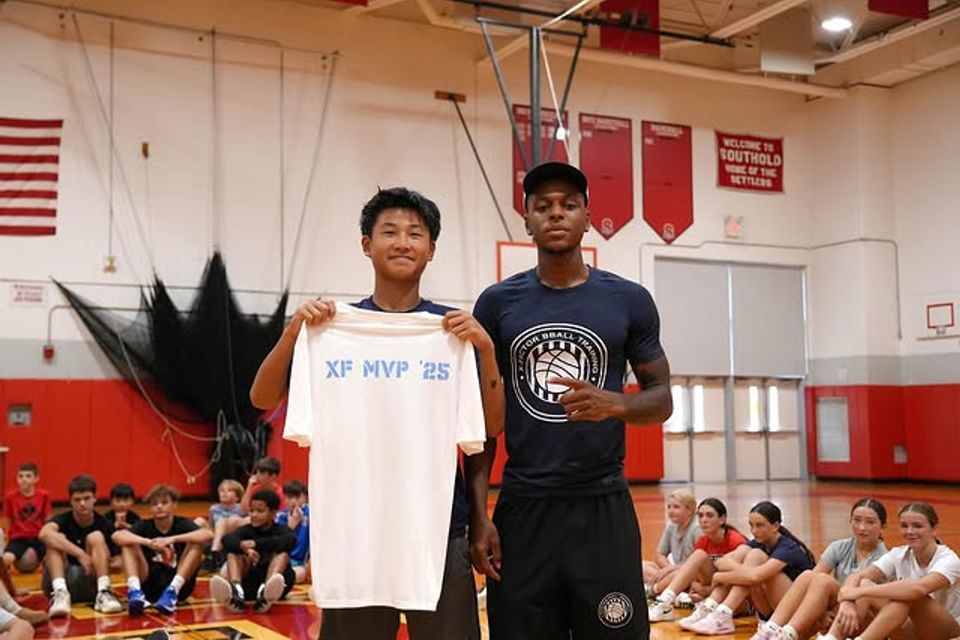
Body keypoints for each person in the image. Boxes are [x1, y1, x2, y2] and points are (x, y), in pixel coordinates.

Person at [251, 186, 503, 639]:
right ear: (366, 244)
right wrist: (295, 332)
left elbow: (490, 427)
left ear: (431, 250)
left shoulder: (452, 333)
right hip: (354, 531)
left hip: (438, 527)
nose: (403, 242)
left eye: (415, 233)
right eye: (389, 231)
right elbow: (261, 397)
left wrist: (484, 348)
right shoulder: (329, 329)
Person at [471, 161, 673, 639]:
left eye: (569, 205)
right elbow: (479, 422)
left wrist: (614, 404)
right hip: (524, 506)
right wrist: (478, 516)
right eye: (543, 206)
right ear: (527, 221)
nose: (556, 214)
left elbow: (662, 398)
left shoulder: (629, 299)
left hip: (602, 505)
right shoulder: (497, 303)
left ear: (587, 218)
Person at [750, 498, 887, 640]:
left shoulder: (885, 558)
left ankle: (789, 633)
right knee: (809, 576)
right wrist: (820, 612)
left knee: (826, 582)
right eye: (857, 520)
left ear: (882, 526)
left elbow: (858, 592)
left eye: (870, 522)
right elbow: (812, 580)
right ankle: (774, 629)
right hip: (839, 610)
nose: (862, 527)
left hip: (866, 620)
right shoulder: (840, 547)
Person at [821, 502, 960, 640]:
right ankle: (831, 637)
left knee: (909, 594)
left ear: (934, 529)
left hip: (946, 633)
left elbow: (919, 588)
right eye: (904, 526)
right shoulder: (898, 554)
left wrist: (859, 592)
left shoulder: (948, 559)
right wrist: (847, 602)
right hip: (910, 631)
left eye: (917, 526)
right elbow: (858, 576)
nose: (910, 531)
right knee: (865, 583)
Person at [678, 501, 815, 635]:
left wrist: (720, 576)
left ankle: (723, 612)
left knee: (755, 559)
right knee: (749, 563)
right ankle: (711, 608)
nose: (754, 531)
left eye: (759, 525)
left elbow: (755, 577)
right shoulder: (758, 542)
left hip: (796, 611)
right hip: (769, 611)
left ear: (775, 526)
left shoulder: (787, 547)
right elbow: (722, 562)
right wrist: (738, 573)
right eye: (751, 525)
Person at [112, 484, 213, 615]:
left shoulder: (182, 524)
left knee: (196, 542)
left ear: (174, 505)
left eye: (164, 503)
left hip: (180, 587)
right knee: (128, 543)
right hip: (149, 587)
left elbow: (208, 534)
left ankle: (172, 592)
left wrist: (171, 539)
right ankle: (135, 591)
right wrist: (147, 542)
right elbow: (117, 536)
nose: (159, 506)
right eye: (155, 504)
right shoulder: (145, 525)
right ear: (150, 508)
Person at [648, 497, 748, 622]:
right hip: (713, 590)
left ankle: (654, 592)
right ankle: (665, 602)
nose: (703, 520)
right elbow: (694, 576)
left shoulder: (735, 540)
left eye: (709, 515)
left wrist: (707, 590)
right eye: (700, 516)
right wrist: (696, 589)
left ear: (722, 519)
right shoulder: (703, 540)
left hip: (736, 596)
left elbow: (743, 577)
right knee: (697, 555)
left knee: (675, 572)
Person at [39, 474, 122, 616]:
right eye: (77, 500)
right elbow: (44, 534)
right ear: (70, 502)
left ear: (95, 498)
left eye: (87, 498)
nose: (82, 503)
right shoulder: (62, 520)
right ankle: (60, 594)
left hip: (90, 583)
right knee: (55, 539)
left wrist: (101, 561)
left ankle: (104, 592)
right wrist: (80, 554)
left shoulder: (104, 524)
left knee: (96, 537)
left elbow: (119, 563)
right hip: (61, 579)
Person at [210, 489, 296, 614]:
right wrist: (244, 548)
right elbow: (227, 540)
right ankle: (236, 590)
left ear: (273, 513)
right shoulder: (246, 530)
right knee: (234, 552)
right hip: (250, 583)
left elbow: (290, 541)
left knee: (282, 553)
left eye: (260, 511)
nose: (254, 514)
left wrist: (256, 544)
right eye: (251, 510)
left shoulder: (281, 530)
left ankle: (267, 591)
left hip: (278, 584)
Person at [643, 490, 700, 595]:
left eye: (676, 507)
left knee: (677, 575)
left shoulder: (697, 529)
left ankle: (653, 590)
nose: (671, 511)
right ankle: (669, 587)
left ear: (689, 510)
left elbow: (699, 563)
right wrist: (668, 568)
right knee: (643, 566)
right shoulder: (671, 525)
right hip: (674, 570)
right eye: (669, 507)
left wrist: (671, 570)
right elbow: (660, 554)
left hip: (692, 573)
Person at [3, 462, 50, 574]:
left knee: (53, 556)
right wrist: (7, 537)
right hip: (19, 538)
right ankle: (5, 581)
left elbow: (48, 518)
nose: (23, 479)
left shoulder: (44, 495)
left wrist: (49, 539)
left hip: (38, 537)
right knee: (6, 558)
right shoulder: (10, 497)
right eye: (20, 476)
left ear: (36, 478)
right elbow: (7, 519)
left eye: (28, 476)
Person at [197, 478, 244, 570]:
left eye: (229, 491)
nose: (224, 493)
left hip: (229, 540)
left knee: (221, 521)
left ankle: (214, 554)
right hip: (215, 537)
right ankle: (187, 551)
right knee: (199, 520)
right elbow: (211, 526)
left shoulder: (240, 509)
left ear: (237, 497)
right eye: (222, 490)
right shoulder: (214, 508)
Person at [276, 479, 310, 584]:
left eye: (297, 497)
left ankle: (280, 582)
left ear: (305, 497)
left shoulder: (311, 513)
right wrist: (291, 526)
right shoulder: (280, 516)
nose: (293, 501)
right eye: (290, 497)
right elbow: (278, 544)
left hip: (300, 563)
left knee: (300, 574)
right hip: (282, 559)